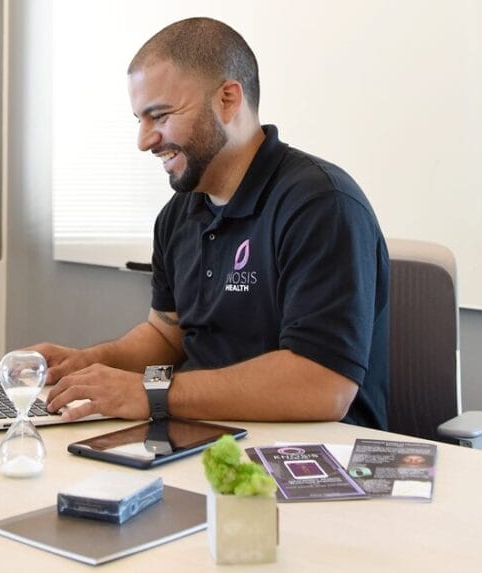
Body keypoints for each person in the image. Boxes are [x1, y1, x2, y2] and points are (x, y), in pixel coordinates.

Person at [36, 17, 390, 429]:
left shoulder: (321, 205)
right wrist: (86, 363)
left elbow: (323, 387)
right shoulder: (179, 213)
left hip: (316, 457)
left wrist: (152, 394)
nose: (144, 140)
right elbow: (169, 335)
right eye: (140, 120)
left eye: (160, 115)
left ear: (227, 99)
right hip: (202, 431)